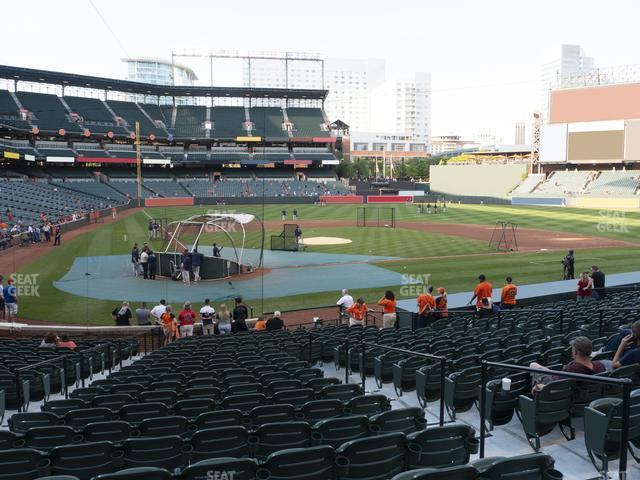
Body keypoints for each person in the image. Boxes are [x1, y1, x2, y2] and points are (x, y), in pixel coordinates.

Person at [529, 336, 605, 393]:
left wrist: (541, 387)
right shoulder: (600, 366)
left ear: (575, 352)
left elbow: (554, 386)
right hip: (585, 396)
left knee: (533, 365)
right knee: (540, 368)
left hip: (554, 388)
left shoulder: (571, 370)